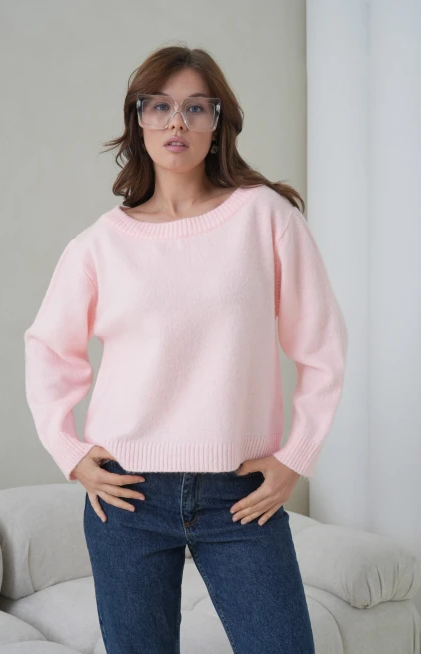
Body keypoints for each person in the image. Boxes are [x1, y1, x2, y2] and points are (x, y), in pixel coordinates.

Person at [24, 45, 348, 654]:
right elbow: (47, 348)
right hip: (128, 497)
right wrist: (70, 451)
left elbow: (322, 345)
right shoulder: (99, 245)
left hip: (240, 494)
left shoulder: (265, 217)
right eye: (160, 106)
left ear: (217, 123)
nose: (177, 121)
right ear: (138, 120)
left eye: (196, 108)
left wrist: (297, 456)